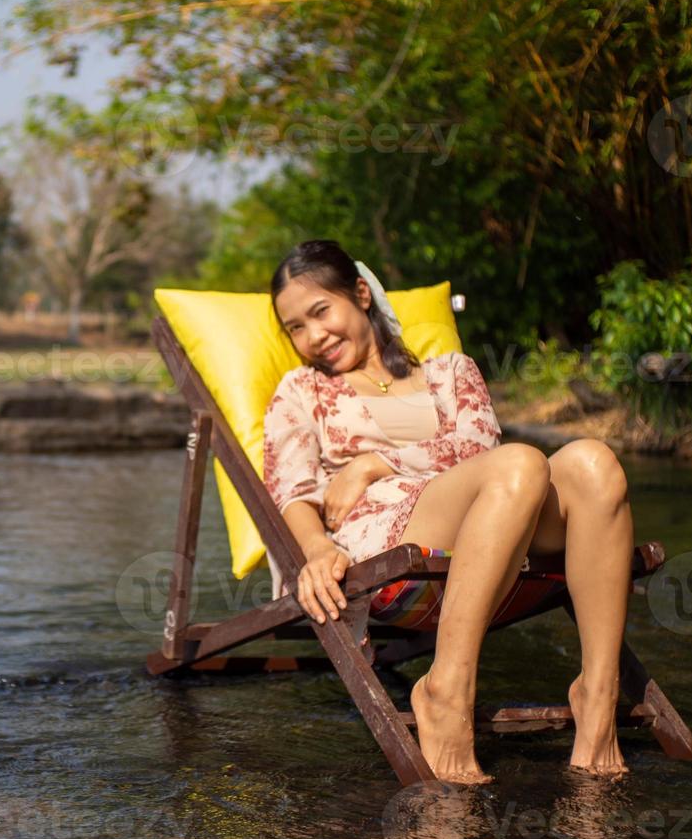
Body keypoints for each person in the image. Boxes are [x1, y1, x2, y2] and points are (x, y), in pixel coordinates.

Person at [262, 239, 632, 783]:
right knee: (522, 466)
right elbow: (290, 490)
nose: (313, 336)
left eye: (321, 311)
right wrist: (316, 549)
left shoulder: (450, 372)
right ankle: (446, 689)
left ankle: (598, 699)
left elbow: (481, 448)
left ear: (361, 294)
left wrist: (371, 461)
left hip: (500, 516)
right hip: (384, 532)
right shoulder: (302, 390)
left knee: (595, 463)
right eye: (294, 327)